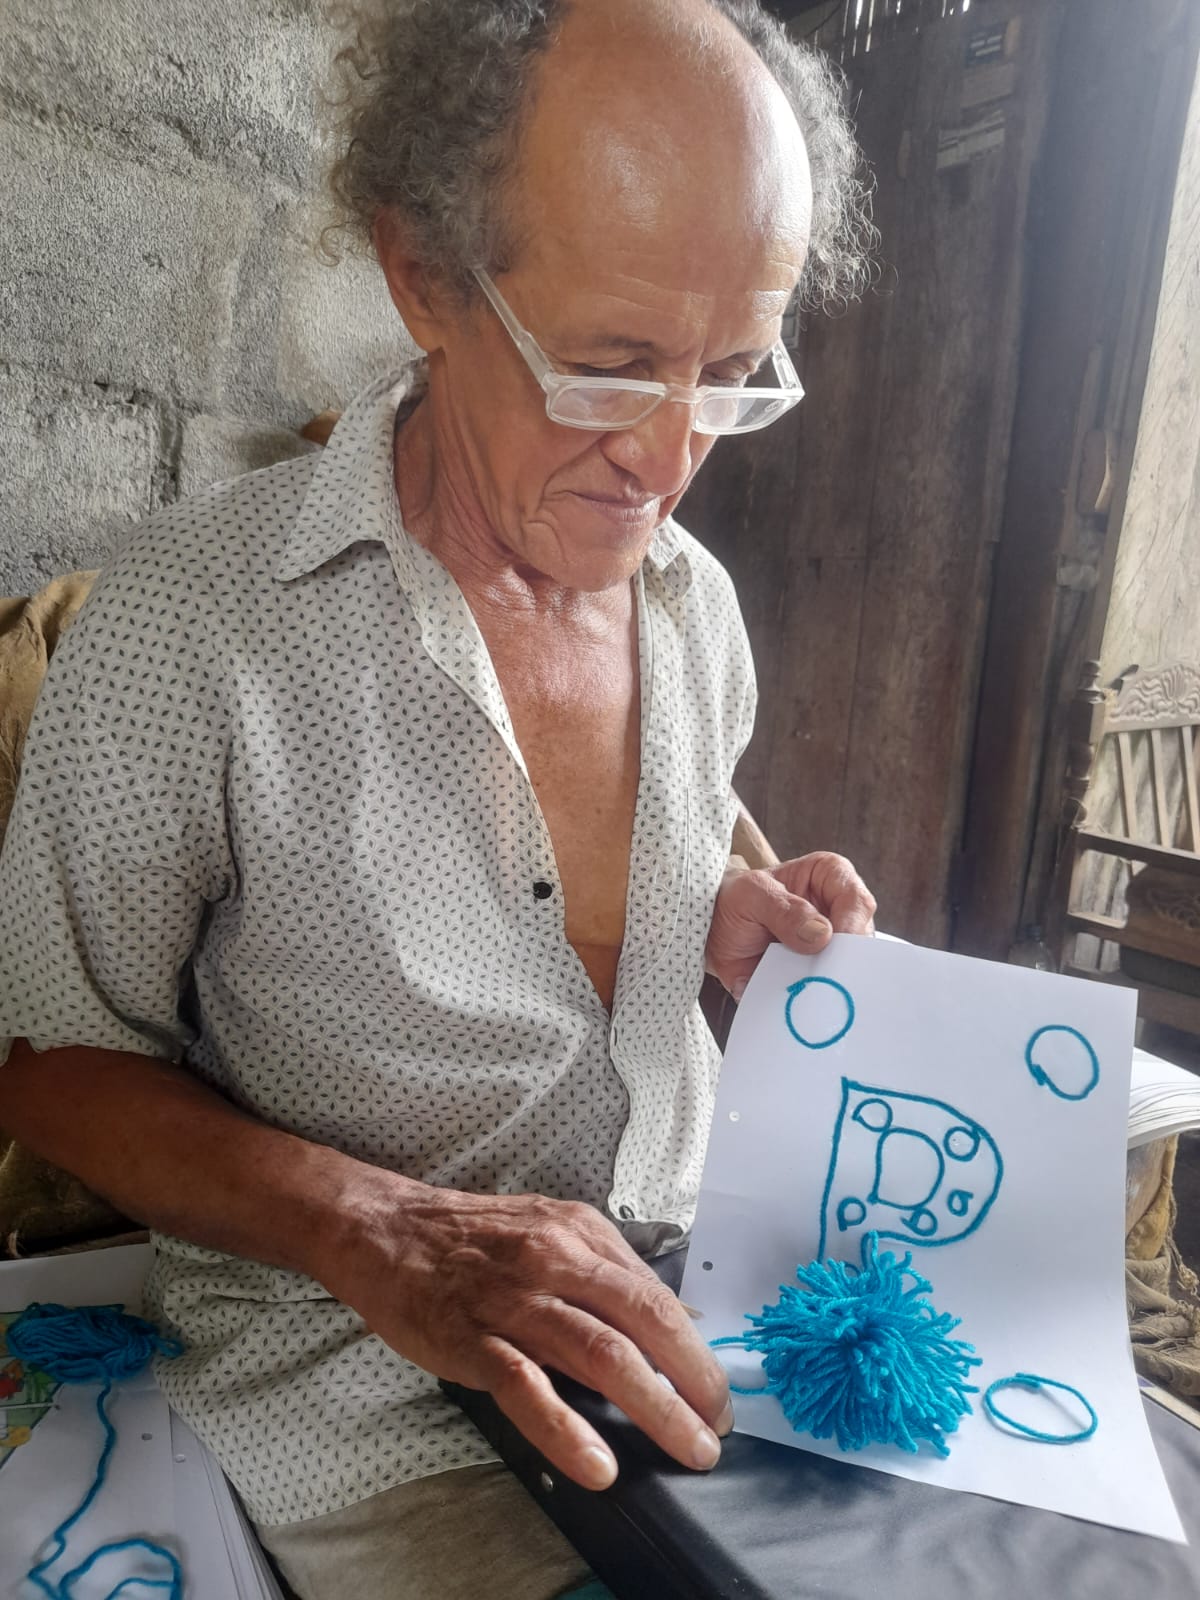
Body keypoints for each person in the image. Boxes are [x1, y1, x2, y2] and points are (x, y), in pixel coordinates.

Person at [0, 0, 876, 1594]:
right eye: (609, 369)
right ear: (425, 278)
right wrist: (386, 1231)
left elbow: (573, 919)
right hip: (376, 1408)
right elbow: (47, 1069)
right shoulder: (191, 625)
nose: (670, 457)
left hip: (706, 1340)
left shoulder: (700, 614)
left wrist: (713, 922)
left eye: (733, 378)